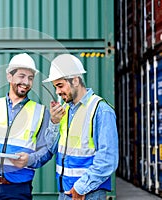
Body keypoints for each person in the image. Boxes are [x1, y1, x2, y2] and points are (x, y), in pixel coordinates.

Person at [0, 53, 55, 200]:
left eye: (30, 78)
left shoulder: (41, 112)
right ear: (9, 77)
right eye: (21, 76)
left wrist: (29, 159)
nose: (26, 82)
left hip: (18, 188)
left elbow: (47, 149)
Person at [42, 54, 119, 200]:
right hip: (65, 192)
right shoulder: (65, 110)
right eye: (55, 87)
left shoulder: (101, 110)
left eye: (60, 86)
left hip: (88, 193)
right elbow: (51, 149)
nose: (57, 92)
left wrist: (81, 187)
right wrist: (54, 122)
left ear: (75, 80)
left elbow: (108, 159)